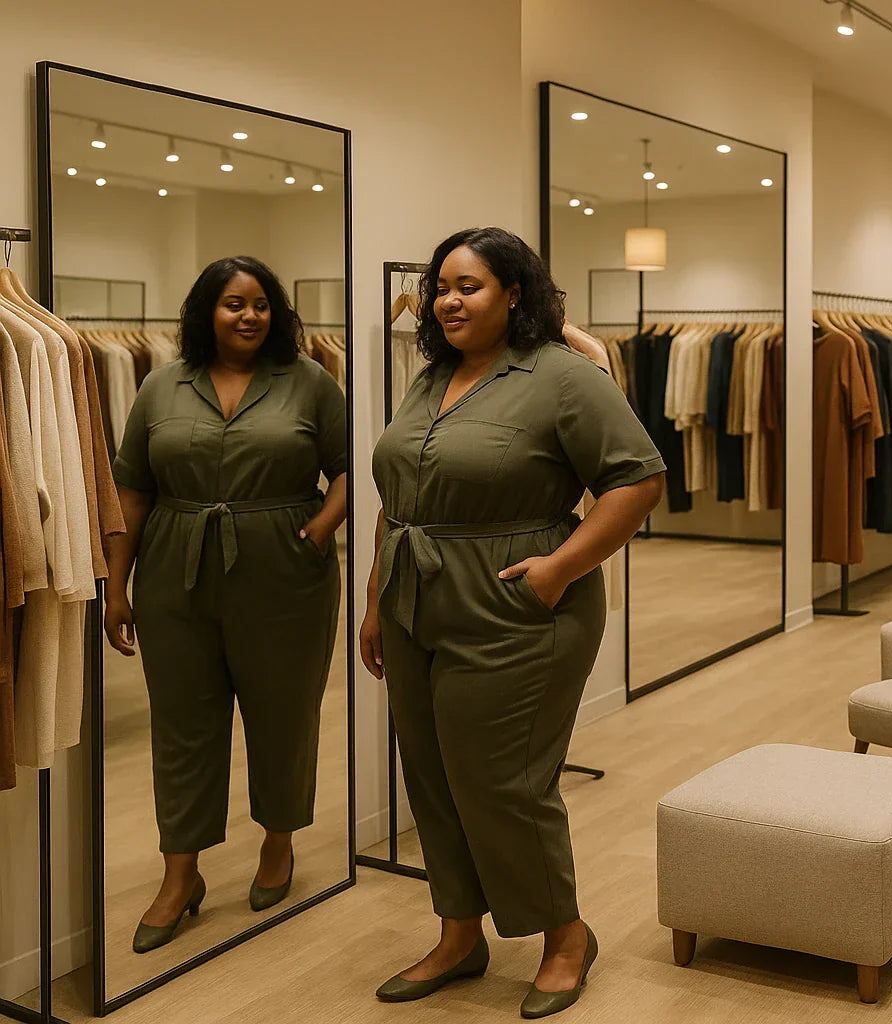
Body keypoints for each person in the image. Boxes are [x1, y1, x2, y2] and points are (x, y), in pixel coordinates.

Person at [362, 227, 665, 1017]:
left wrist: (560, 570)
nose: (450, 300)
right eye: (443, 287)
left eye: (470, 286)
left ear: (515, 293)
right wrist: (372, 602)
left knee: (504, 783)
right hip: (412, 600)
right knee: (430, 776)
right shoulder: (431, 379)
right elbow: (399, 499)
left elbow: (638, 479)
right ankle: (460, 934)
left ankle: (566, 938)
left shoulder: (564, 377)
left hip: (511, 604)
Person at [105, 257, 347, 953]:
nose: (249, 316)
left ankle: (278, 843)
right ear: (206, 311)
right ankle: (181, 873)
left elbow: (351, 471)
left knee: (283, 713)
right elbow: (134, 491)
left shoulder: (308, 381)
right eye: (234, 303)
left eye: (262, 305)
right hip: (175, 570)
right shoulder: (159, 386)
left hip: (285, 570)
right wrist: (117, 584)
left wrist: (319, 531)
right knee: (182, 725)